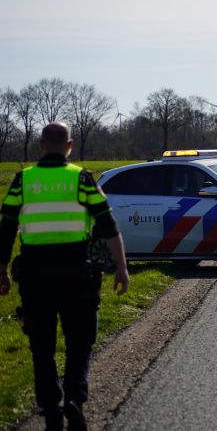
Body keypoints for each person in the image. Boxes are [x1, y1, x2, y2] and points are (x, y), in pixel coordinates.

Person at [0, 123, 129, 431]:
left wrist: (1, 270)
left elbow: (5, 229)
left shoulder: (23, 180)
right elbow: (109, 226)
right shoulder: (82, 179)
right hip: (77, 274)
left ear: (41, 145)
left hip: (34, 276)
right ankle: (74, 398)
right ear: (70, 146)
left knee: (41, 345)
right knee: (80, 341)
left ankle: (49, 407)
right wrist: (122, 267)